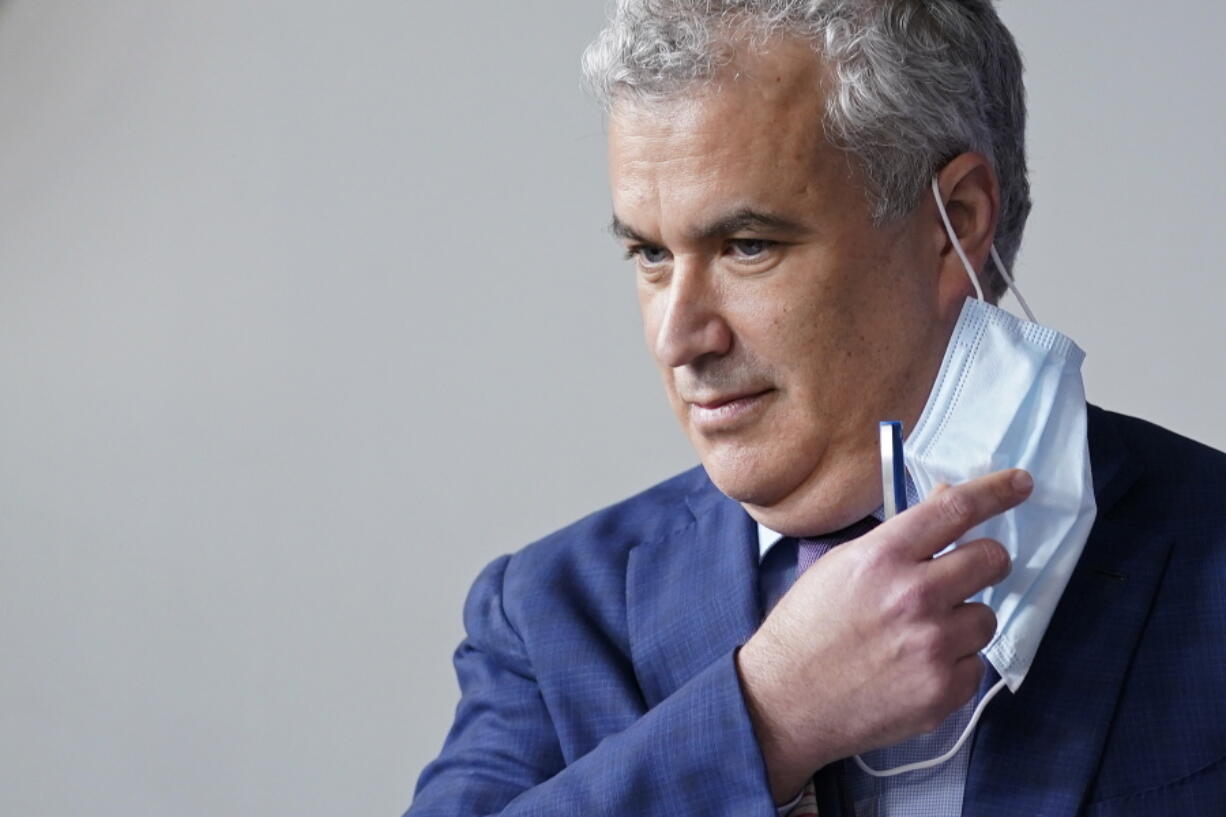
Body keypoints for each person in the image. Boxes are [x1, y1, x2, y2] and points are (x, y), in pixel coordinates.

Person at [405, 2, 1226, 815]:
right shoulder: (548, 613)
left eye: (747, 245)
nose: (676, 336)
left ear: (956, 224)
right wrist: (768, 719)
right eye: (651, 253)